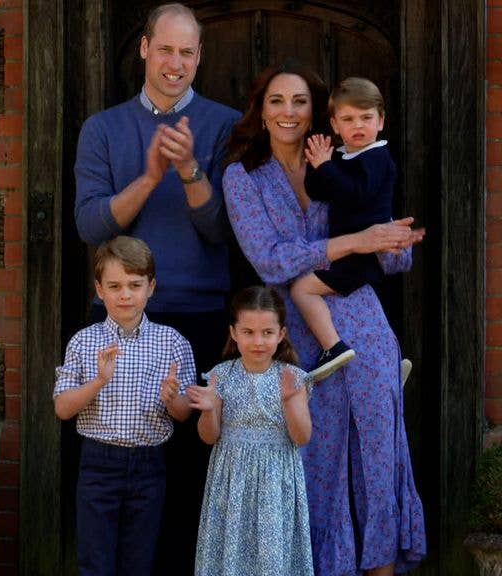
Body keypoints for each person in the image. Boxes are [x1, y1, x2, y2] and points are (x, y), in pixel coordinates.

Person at [221, 60, 426, 576]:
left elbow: (387, 249)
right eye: (276, 101)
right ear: (260, 112)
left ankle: (381, 568)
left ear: (319, 113)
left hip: (364, 319)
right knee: (314, 464)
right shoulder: (242, 176)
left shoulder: (344, 158)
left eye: (299, 101)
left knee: (378, 459)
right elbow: (269, 258)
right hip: (297, 336)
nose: (288, 112)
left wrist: (394, 242)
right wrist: (356, 241)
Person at [73, 5, 239, 571]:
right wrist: (148, 177)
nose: (175, 63)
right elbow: (91, 225)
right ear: (144, 49)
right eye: (165, 50)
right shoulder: (103, 128)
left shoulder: (225, 126)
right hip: (119, 319)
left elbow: (222, 231)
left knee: (190, 475)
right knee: (115, 473)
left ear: (199, 57)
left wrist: (190, 170)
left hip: (198, 317)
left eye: (187, 52)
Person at [54, 235, 195, 576]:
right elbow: (62, 408)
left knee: (138, 562)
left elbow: (183, 413)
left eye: (135, 285)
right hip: (98, 463)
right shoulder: (84, 341)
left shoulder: (172, 342)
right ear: (99, 290)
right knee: (95, 562)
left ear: (151, 287)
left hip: (149, 465)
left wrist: (172, 398)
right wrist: (99, 381)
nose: (125, 295)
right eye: (115, 286)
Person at [187, 286, 314, 576]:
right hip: (231, 480)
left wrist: (290, 402)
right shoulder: (222, 374)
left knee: (272, 558)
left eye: (267, 333)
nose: (258, 341)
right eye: (248, 332)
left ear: (281, 334)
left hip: (275, 480)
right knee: (231, 553)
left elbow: (301, 437)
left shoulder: (293, 378)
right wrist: (208, 409)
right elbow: (209, 436)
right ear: (234, 332)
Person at [289, 77, 395, 381]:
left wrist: (326, 166)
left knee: (302, 288)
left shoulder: (376, 158)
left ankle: (332, 347)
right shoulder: (346, 156)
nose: (358, 126)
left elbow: (354, 194)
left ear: (381, 120)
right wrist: (317, 164)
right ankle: (384, 365)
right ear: (335, 125)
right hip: (349, 252)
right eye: (348, 119)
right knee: (362, 313)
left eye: (366, 118)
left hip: (362, 256)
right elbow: (319, 191)